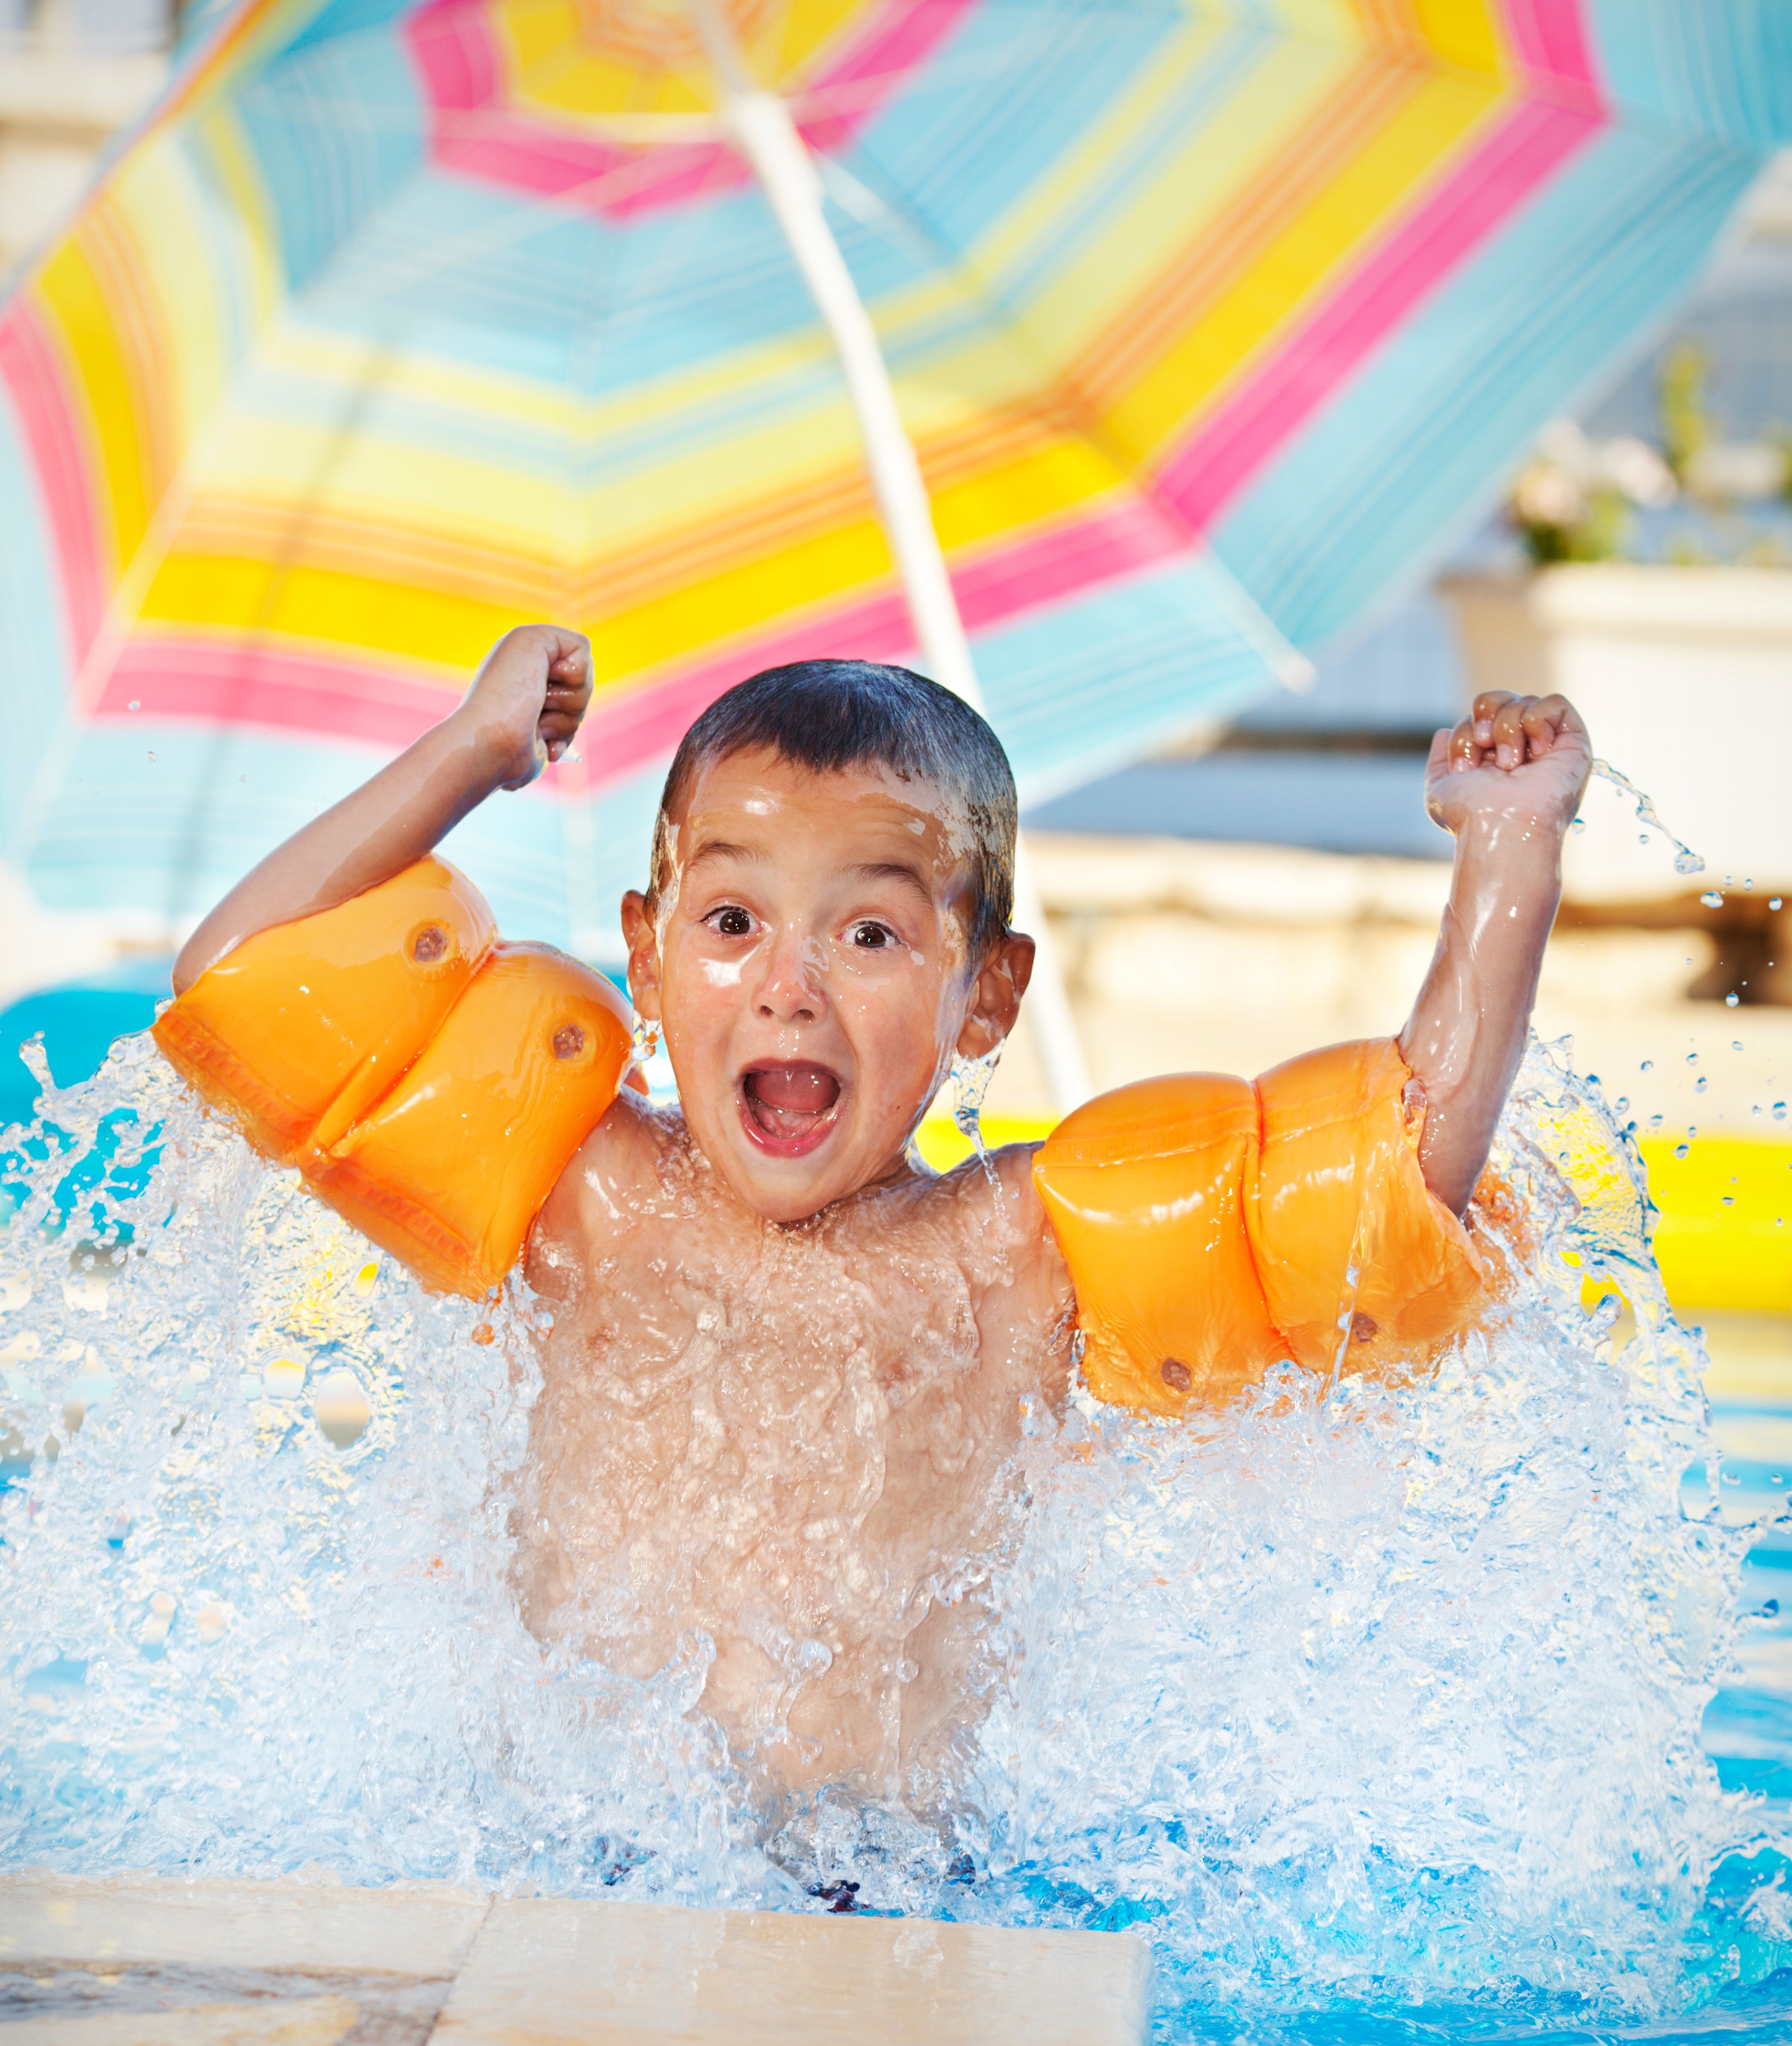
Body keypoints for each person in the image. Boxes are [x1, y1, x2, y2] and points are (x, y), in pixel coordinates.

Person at [165, 625, 1591, 1803]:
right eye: (732, 924)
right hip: (571, 1859)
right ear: (646, 959)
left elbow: (1380, 1196)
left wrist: (1508, 849)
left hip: (879, 1898)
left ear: (986, 993)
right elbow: (248, 976)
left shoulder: (1014, 1257)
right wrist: (475, 751)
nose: (790, 985)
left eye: (869, 934)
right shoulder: (583, 1196)